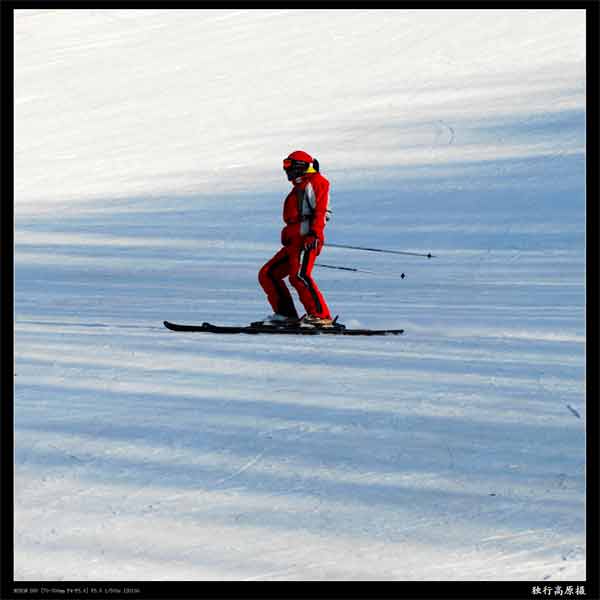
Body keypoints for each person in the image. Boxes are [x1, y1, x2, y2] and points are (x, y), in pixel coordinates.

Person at [257, 150, 334, 328]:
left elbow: (320, 211)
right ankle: (286, 315)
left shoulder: (317, 182)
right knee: (268, 274)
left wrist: (314, 234)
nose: (286, 170)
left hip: (307, 240)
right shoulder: (299, 185)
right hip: (295, 242)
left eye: (289, 166)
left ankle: (321, 316)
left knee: (300, 275)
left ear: (300, 167)